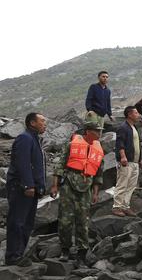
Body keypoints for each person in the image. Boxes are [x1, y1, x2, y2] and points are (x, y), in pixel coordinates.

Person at [50, 112, 105, 266]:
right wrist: (55, 185)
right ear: (88, 131)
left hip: (86, 188)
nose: (100, 134)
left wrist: (95, 193)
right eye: (97, 131)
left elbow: (99, 174)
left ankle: (82, 253)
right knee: (65, 220)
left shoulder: (98, 150)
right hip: (68, 185)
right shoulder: (72, 145)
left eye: (100, 131)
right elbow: (60, 166)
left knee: (83, 221)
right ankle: (65, 249)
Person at [5, 113, 47, 267]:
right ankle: (13, 256)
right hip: (21, 188)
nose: (45, 124)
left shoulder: (35, 139)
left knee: (27, 223)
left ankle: (19, 254)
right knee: (18, 221)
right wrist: (28, 185)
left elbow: (37, 165)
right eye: (42, 121)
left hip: (31, 188)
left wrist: (40, 187)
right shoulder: (25, 138)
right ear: (32, 123)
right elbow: (23, 163)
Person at [112, 106, 142, 217]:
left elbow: (137, 145)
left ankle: (125, 206)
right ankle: (116, 207)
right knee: (122, 184)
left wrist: (140, 160)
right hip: (126, 161)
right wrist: (123, 157)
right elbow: (120, 143)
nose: (138, 114)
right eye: (136, 112)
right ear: (129, 114)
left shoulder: (134, 127)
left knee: (131, 185)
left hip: (134, 162)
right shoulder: (123, 127)